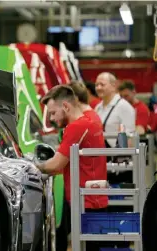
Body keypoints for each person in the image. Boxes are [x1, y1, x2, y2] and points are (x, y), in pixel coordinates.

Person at [37, 85, 108, 251]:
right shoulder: (90, 122)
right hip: (93, 199)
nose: (52, 119)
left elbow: (55, 165)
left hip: (86, 203)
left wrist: (32, 167)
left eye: (53, 113)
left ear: (66, 107)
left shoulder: (77, 127)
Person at [95, 72, 135, 148]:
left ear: (113, 86)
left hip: (117, 157)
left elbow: (129, 139)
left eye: (102, 84)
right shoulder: (98, 107)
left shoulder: (124, 107)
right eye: (96, 85)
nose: (98, 88)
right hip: (100, 155)